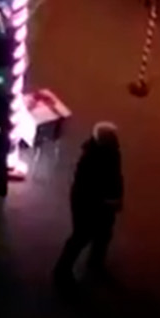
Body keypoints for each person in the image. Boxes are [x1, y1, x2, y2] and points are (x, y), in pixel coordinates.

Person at [54, 121, 124, 287]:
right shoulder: (91, 160)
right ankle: (62, 271)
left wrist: (117, 197)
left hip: (103, 203)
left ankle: (95, 260)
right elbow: (88, 189)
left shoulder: (110, 152)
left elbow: (117, 177)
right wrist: (109, 201)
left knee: (103, 233)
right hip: (88, 205)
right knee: (80, 237)